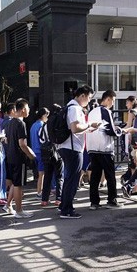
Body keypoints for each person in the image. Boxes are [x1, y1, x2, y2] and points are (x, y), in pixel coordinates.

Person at [58, 85, 100, 219]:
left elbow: (75, 130)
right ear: (82, 95)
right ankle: (67, 210)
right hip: (73, 148)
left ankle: (64, 206)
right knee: (72, 180)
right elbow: (75, 128)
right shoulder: (75, 108)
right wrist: (89, 125)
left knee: (69, 179)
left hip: (68, 146)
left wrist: (88, 129)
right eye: (88, 98)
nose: (88, 101)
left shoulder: (69, 107)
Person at [86, 90, 123, 209]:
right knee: (110, 175)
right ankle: (112, 200)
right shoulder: (105, 111)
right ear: (108, 99)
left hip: (92, 147)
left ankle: (94, 202)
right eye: (113, 101)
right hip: (104, 148)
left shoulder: (92, 112)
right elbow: (110, 130)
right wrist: (120, 131)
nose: (113, 103)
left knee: (95, 176)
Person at [5, 98, 36, 218]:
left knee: (14, 183)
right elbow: (22, 144)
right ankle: (19, 211)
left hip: (10, 156)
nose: (29, 110)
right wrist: (31, 155)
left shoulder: (10, 122)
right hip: (19, 158)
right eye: (28, 108)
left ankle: (9, 206)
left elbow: (7, 140)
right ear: (23, 109)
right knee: (18, 185)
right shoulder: (21, 124)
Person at [40, 104, 63, 208]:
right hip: (57, 151)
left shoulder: (44, 125)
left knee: (47, 176)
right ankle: (59, 198)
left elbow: (41, 138)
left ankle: (44, 199)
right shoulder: (58, 122)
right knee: (59, 176)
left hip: (46, 152)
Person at [30, 108, 49, 197]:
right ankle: (39, 192)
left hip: (34, 151)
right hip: (41, 151)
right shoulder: (41, 125)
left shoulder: (33, 125)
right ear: (44, 115)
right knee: (42, 174)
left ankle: (40, 191)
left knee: (39, 173)